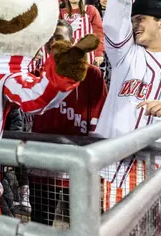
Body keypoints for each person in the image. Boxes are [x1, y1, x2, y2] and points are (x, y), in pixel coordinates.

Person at [94, 0, 161, 211]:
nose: (134, 26)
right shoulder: (125, 54)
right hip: (122, 164)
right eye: (132, 20)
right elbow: (112, 24)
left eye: (140, 19)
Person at [29, 20, 107, 226]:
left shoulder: (92, 73)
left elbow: (99, 112)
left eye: (60, 38)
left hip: (77, 158)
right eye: (51, 38)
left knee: (81, 222)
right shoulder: (37, 72)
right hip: (44, 159)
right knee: (40, 222)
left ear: (72, 41)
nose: (54, 42)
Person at [60, 0, 105, 66]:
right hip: (67, 53)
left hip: (87, 53)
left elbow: (98, 32)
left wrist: (99, 53)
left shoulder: (90, 9)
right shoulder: (62, 13)